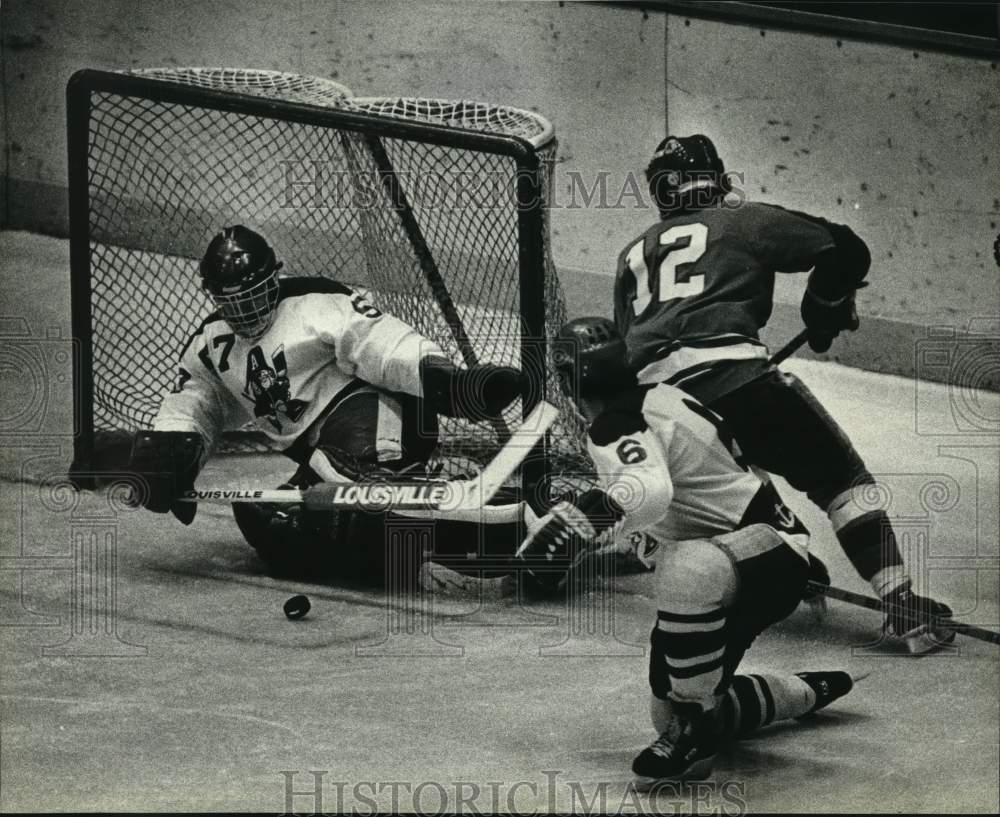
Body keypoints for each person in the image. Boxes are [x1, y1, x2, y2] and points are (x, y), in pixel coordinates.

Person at [612, 134, 954, 653]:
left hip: (658, 408)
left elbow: (628, 349)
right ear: (718, 179)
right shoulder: (740, 219)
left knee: (729, 489)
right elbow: (845, 248)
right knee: (841, 479)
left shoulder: (631, 254)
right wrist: (824, 303)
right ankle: (902, 605)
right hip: (738, 380)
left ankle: (765, 570)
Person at [518, 317, 858, 784]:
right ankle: (802, 692)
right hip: (759, 555)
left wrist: (579, 525)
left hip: (749, 557)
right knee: (668, 711)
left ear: (566, 381)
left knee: (685, 569)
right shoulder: (662, 396)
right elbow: (720, 483)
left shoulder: (617, 422)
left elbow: (650, 491)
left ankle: (693, 734)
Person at [127, 225, 525, 582]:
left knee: (343, 478)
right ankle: (409, 548)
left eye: (251, 297)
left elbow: (382, 344)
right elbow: (196, 401)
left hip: (373, 412)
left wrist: (447, 383)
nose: (244, 313)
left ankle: (489, 519)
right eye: (229, 302)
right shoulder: (211, 344)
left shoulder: (315, 301)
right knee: (269, 522)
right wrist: (175, 452)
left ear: (275, 277)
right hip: (319, 455)